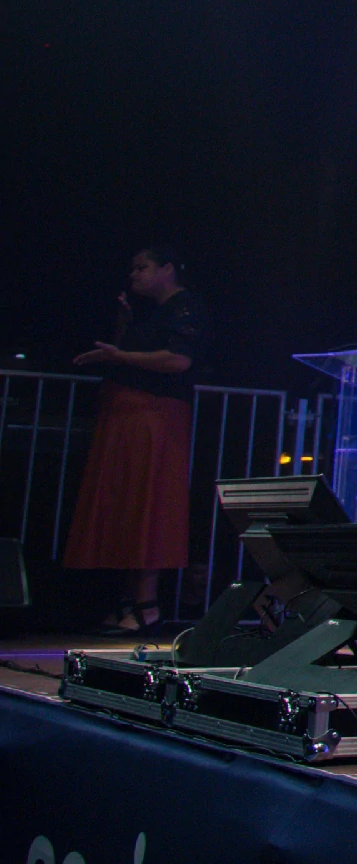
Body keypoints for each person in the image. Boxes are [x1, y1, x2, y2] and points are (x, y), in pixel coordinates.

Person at [66, 245, 210, 634]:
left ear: (167, 269)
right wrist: (121, 335)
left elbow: (178, 360)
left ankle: (146, 604)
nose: (134, 275)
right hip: (129, 415)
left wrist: (121, 356)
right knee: (125, 507)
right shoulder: (147, 312)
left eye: (142, 267)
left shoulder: (186, 306)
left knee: (149, 505)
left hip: (155, 417)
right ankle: (129, 599)